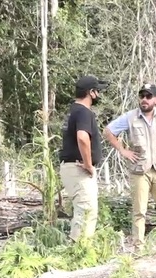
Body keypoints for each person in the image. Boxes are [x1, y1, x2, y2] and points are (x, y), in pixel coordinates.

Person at [103, 83, 156, 250]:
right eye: (142, 96)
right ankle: (138, 246)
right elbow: (108, 131)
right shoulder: (130, 117)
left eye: (148, 96)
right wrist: (123, 150)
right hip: (139, 170)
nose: (144, 100)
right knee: (139, 210)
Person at [59, 75, 109, 242]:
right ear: (91, 92)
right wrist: (88, 164)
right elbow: (82, 137)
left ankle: (79, 249)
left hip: (71, 168)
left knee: (83, 211)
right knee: (86, 211)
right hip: (79, 169)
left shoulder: (74, 110)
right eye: (98, 91)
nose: (99, 95)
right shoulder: (83, 112)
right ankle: (80, 252)